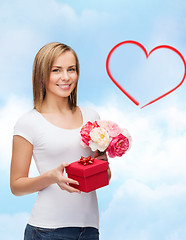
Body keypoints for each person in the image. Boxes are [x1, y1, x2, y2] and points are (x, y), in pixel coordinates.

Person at [10, 42, 111, 240]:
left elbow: (105, 176)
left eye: (71, 69)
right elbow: (16, 186)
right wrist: (51, 177)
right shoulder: (28, 122)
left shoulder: (92, 117)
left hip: (89, 230)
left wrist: (106, 159)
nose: (66, 77)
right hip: (47, 230)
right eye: (56, 70)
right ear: (42, 74)